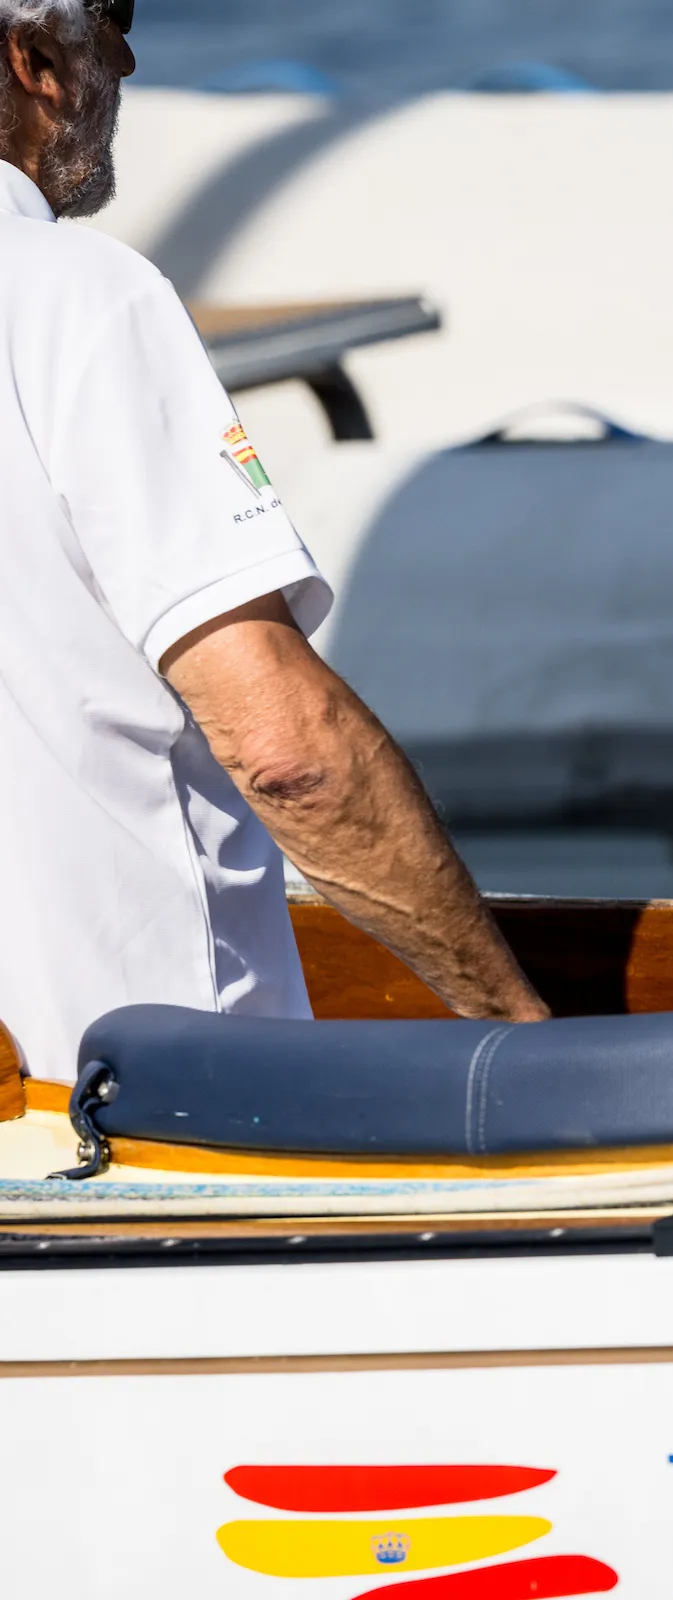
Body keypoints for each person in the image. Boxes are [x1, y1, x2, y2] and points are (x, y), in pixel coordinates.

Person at [0, 0, 547, 1083]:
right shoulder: (80, 295)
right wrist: (526, 1037)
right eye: (112, 18)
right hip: (143, 1109)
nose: (130, 55)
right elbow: (289, 755)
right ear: (37, 62)